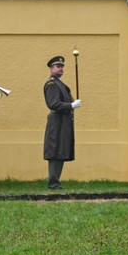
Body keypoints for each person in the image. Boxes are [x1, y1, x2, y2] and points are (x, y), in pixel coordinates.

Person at [44, 55, 81, 189]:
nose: (61, 69)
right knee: (55, 150)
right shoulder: (52, 84)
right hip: (56, 122)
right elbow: (53, 104)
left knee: (60, 150)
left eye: (62, 66)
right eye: (58, 66)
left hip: (62, 121)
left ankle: (55, 181)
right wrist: (71, 106)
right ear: (51, 68)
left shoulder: (60, 84)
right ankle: (53, 182)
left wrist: (72, 103)